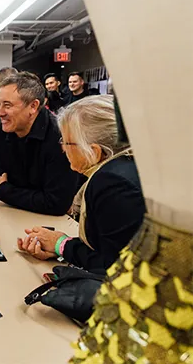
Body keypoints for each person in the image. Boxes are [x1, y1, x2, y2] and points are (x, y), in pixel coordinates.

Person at [17, 95, 146, 272]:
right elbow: (109, 245)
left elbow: (114, 267)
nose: (62, 148)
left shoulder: (112, 184)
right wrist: (61, 246)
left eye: (67, 142)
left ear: (93, 151)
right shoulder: (125, 169)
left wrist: (61, 245)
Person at [0, 71, 79, 215]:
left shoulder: (61, 138)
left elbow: (56, 203)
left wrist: (5, 191)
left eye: (7, 105)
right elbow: (0, 180)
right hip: (12, 214)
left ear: (33, 106)